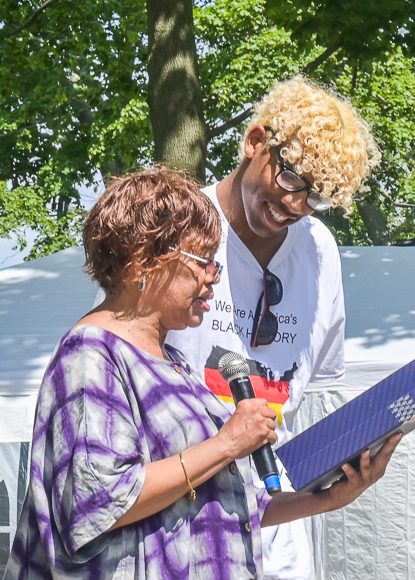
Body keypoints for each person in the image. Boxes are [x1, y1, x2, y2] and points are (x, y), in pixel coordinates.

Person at [4, 166, 399, 580]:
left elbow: (225, 504)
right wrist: (228, 443)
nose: (215, 277)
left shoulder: (172, 362)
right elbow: (97, 501)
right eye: (203, 262)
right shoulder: (91, 355)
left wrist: (328, 498)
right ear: (143, 263)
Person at [166, 77, 382, 579]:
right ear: (256, 142)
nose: (297, 205)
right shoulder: (176, 226)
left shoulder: (320, 251)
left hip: (278, 535)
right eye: (291, 179)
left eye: (318, 196)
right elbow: (116, 363)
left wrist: (338, 479)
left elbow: (305, 398)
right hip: (180, 527)